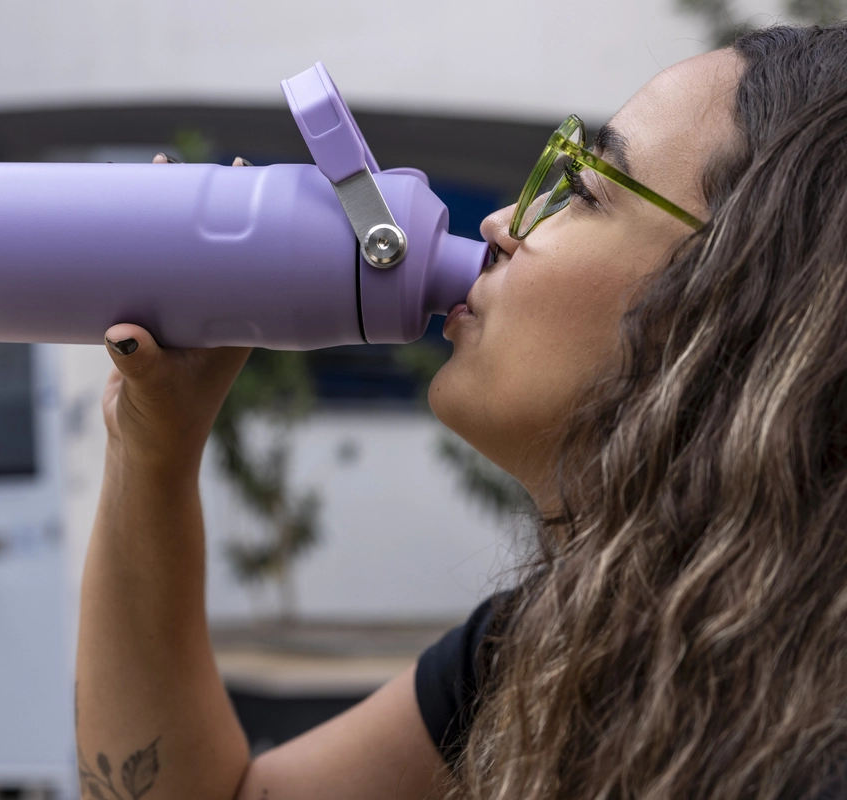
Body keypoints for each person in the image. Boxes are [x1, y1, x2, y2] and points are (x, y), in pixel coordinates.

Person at [75, 23, 847, 800]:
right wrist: (152, 450)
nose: (501, 225)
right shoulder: (535, 650)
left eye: (578, 189)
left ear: (740, 297)